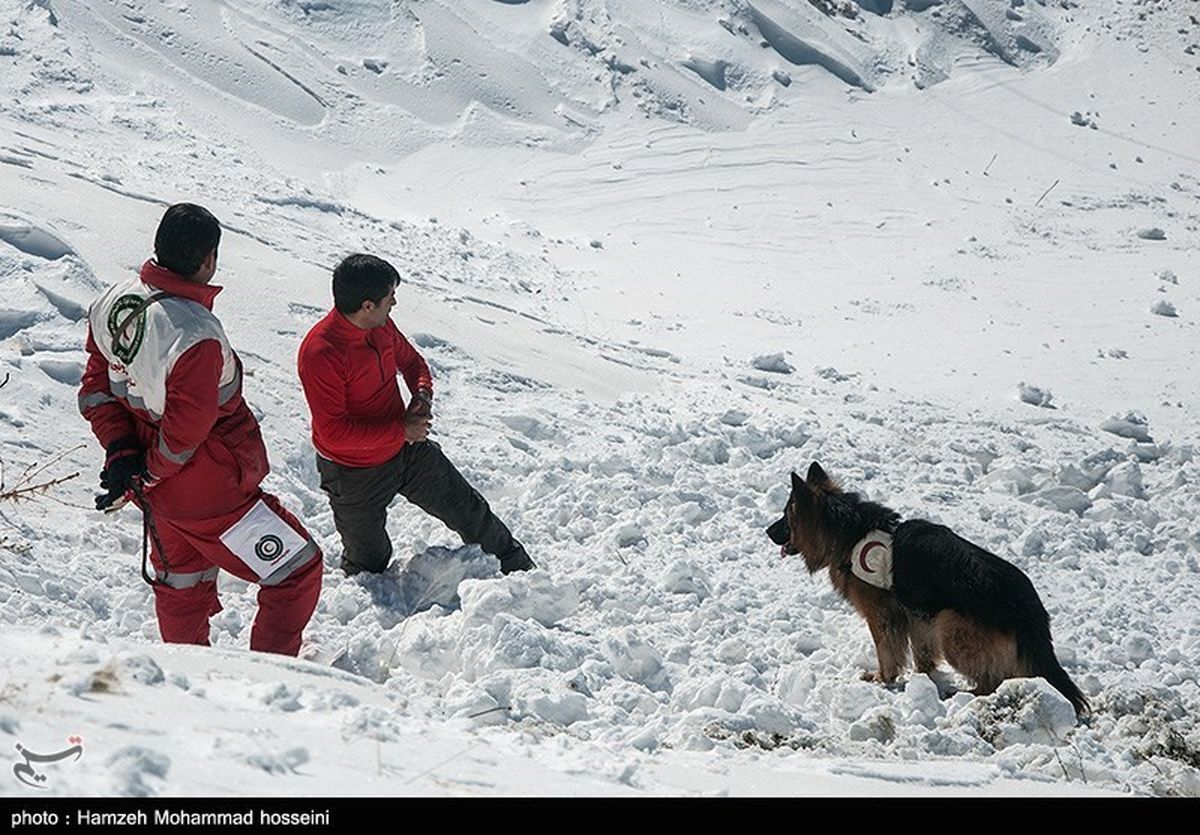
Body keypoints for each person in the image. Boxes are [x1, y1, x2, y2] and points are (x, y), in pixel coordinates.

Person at [79, 203, 322, 656]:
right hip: (205, 486)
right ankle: (275, 674)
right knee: (297, 569)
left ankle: (188, 679)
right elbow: (186, 433)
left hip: (157, 485)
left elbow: (96, 388)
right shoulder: (195, 334)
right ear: (208, 259)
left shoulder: (112, 301)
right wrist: (147, 470)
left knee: (182, 583)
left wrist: (121, 453)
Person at [297, 253, 536, 576]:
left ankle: (523, 574)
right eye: (389, 298)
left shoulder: (381, 326)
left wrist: (421, 396)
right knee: (369, 562)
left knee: (470, 511)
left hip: (406, 451)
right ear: (368, 305)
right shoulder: (321, 352)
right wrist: (401, 430)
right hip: (354, 472)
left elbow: (412, 364)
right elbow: (333, 432)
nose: (394, 303)